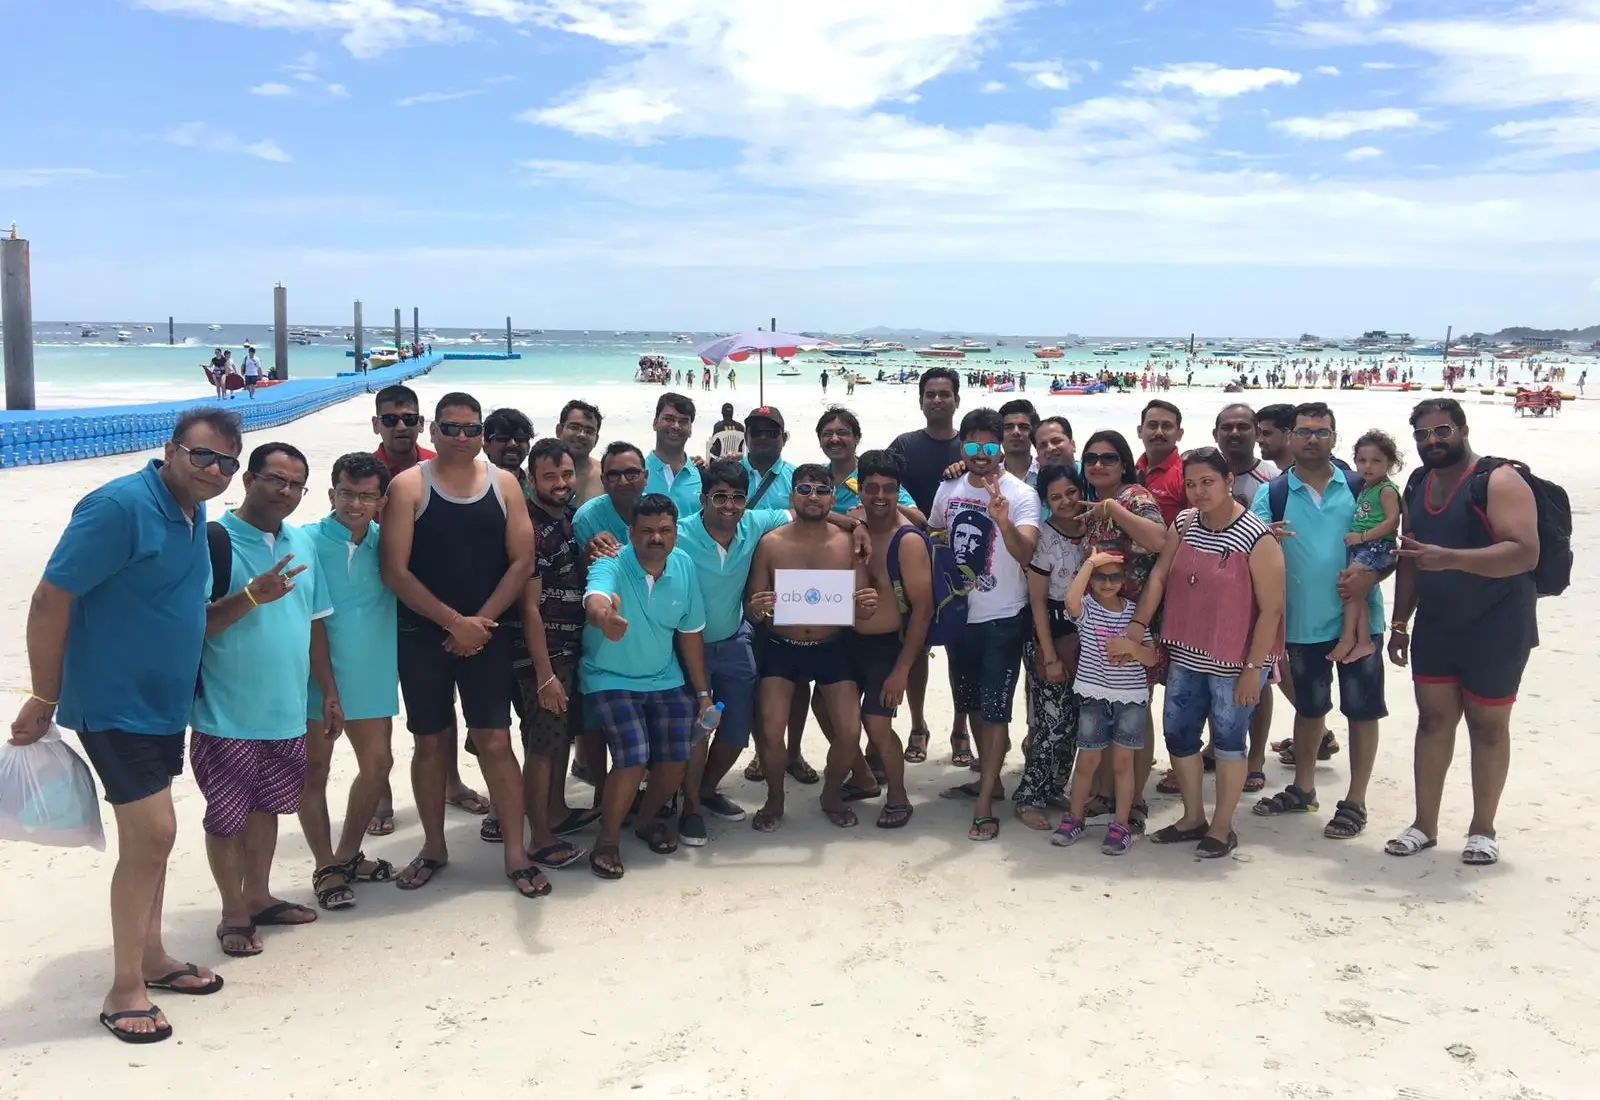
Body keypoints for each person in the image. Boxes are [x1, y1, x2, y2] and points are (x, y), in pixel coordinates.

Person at [11, 407, 241, 1044]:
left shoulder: (191, 511)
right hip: (113, 701)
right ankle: (123, 988)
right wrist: (43, 693)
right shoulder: (118, 507)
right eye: (202, 455)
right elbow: (50, 597)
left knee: (155, 841)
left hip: (162, 702)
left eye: (227, 462)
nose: (214, 470)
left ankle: (153, 956)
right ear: (171, 450)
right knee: (153, 835)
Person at [379, 391, 546, 897]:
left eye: (471, 429)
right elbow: (394, 570)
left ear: (481, 434)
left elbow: (522, 561)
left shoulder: (505, 484)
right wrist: (454, 622)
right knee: (430, 743)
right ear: (432, 431)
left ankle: (515, 852)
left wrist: (479, 624)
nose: (460, 437)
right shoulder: (408, 486)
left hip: (487, 633)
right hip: (422, 635)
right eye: (450, 428)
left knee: (495, 741)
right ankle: (434, 846)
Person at [1385, 398, 1540, 866]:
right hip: (1437, 623)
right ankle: (1424, 825)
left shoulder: (1498, 480)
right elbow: (1411, 559)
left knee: (1488, 727)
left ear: (1463, 430)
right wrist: (1400, 622)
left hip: (1498, 625)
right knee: (1432, 722)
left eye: (1442, 431)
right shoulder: (1417, 482)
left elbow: (1525, 552)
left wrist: (1450, 558)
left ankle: (1483, 830)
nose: (1432, 440)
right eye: (1423, 434)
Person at [192, 442, 333, 955]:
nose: (286, 492)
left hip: (287, 712)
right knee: (226, 817)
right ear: (249, 480)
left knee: (267, 811)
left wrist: (329, 693)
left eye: (296, 484)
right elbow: (196, 623)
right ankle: (232, 912)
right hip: (225, 714)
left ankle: (258, 896)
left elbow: (315, 623)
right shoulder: (213, 540)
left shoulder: (302, 542)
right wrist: (252, 595)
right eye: (276, 479)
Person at [1129, 448, 1284, 858]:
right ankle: (1192, 816)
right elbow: (1160, 575)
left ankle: (1222, 826)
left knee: (1230, 741)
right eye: (1192, 484)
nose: (1199, 491)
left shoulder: (1257, 536)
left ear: (1229, 480)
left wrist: (1253, 669)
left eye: (1208, 482)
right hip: (1186, 654)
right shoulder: (1184, 522)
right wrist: (1138, 626)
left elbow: (1272, 610)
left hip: (1235, 661)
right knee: (1179, 735)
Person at [1250, 403, 1387, 842]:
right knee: (1310, 708)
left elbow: (1388, 545)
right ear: (1290, 437)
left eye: (1322, 432)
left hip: (1360, 621)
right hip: (1300, 623)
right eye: (1304, 431)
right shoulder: (1272, 493)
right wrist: (1264, 540)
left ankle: (1355, 800)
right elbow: (1251, 547)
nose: (1313, 439)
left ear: (1334, 437)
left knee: (1362, 710)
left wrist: (1372, 578)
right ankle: (1303, 788)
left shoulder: (1360, 486)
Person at [366, 385, 486, 836]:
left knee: (441, 704)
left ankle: (451, 782)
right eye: (390, 419)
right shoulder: (368, 473)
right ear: (376, 423)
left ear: (423, 425)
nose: (401, 426)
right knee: (379, 704)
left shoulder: (441, 464)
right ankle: (379, 794)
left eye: (409, 418)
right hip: (377, 605)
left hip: (433, 608)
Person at [581, 495, 715, 878]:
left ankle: (645, 820)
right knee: (634, 756)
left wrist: (703, 695)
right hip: (609, 676)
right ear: (630, 533)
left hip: (664, 677)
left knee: (676, 758)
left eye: (665, 530)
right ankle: (607, 840)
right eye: (646, 531)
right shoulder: (610, 560)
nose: (656, 538)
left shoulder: (684, 565)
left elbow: (690, 634)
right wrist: (604, 617)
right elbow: (596, 596)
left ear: (675, 533)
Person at [929, 408, 1041, 842]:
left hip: (1002, 619)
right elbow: (935, 534)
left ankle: (984, 807)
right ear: (962, 448)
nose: (981, 453)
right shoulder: (948, 487)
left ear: (1001, 448)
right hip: (960, 618)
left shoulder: (1021, 494)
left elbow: (1026, 553)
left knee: (996, 710)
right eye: (972, 445)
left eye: (989, 445)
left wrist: (1003, 520)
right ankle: (989, 781)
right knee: (971, 702)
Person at [745, 464, 877, 832]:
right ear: (792, 497)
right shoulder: (771, 543)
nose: (813, 496)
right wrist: (757, 608)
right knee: (771, 731)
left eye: (821, 490)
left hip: (832, 645)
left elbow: (861, 601)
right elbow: (755, 608)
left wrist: (866, 605)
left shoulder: (848, 543)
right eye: (804, 489)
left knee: (849, 732)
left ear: (833, 499)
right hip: (781, 646)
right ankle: (775, 798)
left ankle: (831, 794)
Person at [297, 452, 399, 912]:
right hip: (314, 677)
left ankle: (346, 856)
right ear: (331, 493)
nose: (355, 504)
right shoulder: (304, 540)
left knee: (378, 765)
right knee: (313, 772)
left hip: (373, 673)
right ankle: (325, 865)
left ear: (381, 502)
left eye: (366, 496)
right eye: (346, 493)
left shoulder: (391, 545)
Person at [673, 459, 793, 842]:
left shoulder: (754, 523)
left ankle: (706, 790)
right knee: (698, 731)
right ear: (703, 498)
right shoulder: (678, 533)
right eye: (720, 496)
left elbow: (806, 511)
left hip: (734, 642)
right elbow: (636, 552)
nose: (729, 505)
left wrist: (856, 526)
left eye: (738, 497)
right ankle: (691, 807)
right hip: (684, 648)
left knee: (738, 731)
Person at [514, 438, 601, 870]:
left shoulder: (568, 518)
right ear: (532, 479)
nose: (561, 483)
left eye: (566, 474)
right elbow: (528, 607)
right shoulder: (529, 529)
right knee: (543, 743)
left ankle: (557, 810)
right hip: (543, 654)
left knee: (560, 735)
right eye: (550, 476)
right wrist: (544, 673)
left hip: (571, 646)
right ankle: (540, 837)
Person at [1077, 429, 1168, 825]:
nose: (1098, 464)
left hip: (1135, 624)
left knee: (1134, 710)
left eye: (1109, 458)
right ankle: (1106, 793)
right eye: (1091, 458)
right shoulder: (1093, 502)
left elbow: (1159, 540)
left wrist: (1113, 509)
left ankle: (1135, 800)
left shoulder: (1133, 497)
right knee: (1104, 705)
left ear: (1125, 464)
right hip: (1101, 624)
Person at [1051, 551, 1158, 854]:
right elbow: (1070, 601)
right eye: (1101, 576)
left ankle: (1121, 825)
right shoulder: (1087, 608)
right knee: (1086, 761)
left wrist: (1131, 648)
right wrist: (1090, 563)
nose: (1107, 583)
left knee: (1123, 765)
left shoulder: (1135, 614)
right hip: (1094, 696)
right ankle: (1075, 818)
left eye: (1114, 576)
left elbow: (1152, 658)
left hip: (1131, 699)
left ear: (1124, 580)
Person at [851, 449, 931, 829]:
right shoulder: (853, 525)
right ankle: (863, 776)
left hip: (888, 644)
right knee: (828, 709)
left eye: (889, 488)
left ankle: (898, 794)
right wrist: (855, 524)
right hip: (849, 641)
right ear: (860, 490)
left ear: (899, 491)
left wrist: (902, 670)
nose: (880, 496)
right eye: (872, 488)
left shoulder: (908, 540)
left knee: (877, 723)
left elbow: (923, 611)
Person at [887, 367, 962, 766]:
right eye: (930, 394)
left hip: (963, 561)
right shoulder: (904, 445)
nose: (937, 399)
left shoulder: (970, 447)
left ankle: (961, 729)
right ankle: (918, 725)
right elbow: (881, 488)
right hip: (913, 557)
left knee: (960, 649)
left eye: (944, 393)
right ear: (920, 401)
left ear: (956, 400)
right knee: (916, 647)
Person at [1014, 464, 1088, 831]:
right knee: (1051, 722)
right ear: (1045, 501)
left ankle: (1055, 787)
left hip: (1087, 638)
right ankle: (1029, 796)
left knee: (1075, 722)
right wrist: (1049, 655)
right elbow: (1038, 602)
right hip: (1051, 637)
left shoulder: (1094, 530)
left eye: (1071, 493)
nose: (1066, 502)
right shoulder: (1045, 540)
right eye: (1055, 497)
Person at [476, 408, 536, 842]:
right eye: (502, 438)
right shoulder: (476, 485)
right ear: (486, 441)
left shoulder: (541, 482)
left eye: (520, 438)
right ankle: (499, 804)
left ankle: (532, 799)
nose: (512, 445)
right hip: (485, 619)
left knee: (534, 720)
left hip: (534, 618)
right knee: (491, 724)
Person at [1329, 430, 1402, 664]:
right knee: (1356, 592)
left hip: (1376, 546)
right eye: (1362, 460)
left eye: (1376, 460)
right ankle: (1362, 640)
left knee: (1349, 585)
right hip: (1366, 547)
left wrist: (1362, 537)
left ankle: (1349, 638)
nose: (1367, 466)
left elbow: (1392, 522)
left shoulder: (1386, 490)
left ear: (1390, 463)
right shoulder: (1366, 487)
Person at [575, 442, 649, 555]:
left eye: (631, 473)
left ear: (646, 477)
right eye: (614, 475)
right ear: (603, 480)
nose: (623, 482)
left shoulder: (662, 512)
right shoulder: (586, 519)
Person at [646, 393, 703, 517]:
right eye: (669, 419)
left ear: (690, 430)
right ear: (655, 423)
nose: (676, 426)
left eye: (683, 421)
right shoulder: (637, 474)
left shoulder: (702, 474)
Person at [1135, 400, 1186, 526]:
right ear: (1140, 431)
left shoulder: (1185, 475)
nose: (1159, 432)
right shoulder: (1130, 470)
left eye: (1167, 426)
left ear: (1179, 434)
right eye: (1152, 425)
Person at [742, 406, 794, 511]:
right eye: (756, 432)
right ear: (746, 438)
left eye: (771, 433)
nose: (763, 437)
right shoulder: (728, 475)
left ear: (784, 439)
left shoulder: (796, 479)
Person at [557, 399, 605, 505]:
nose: (581, 435)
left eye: (589, 431)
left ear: (596, 439)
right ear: (559, 430)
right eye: (574, 427)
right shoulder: (536, 474)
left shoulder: (606, 477)